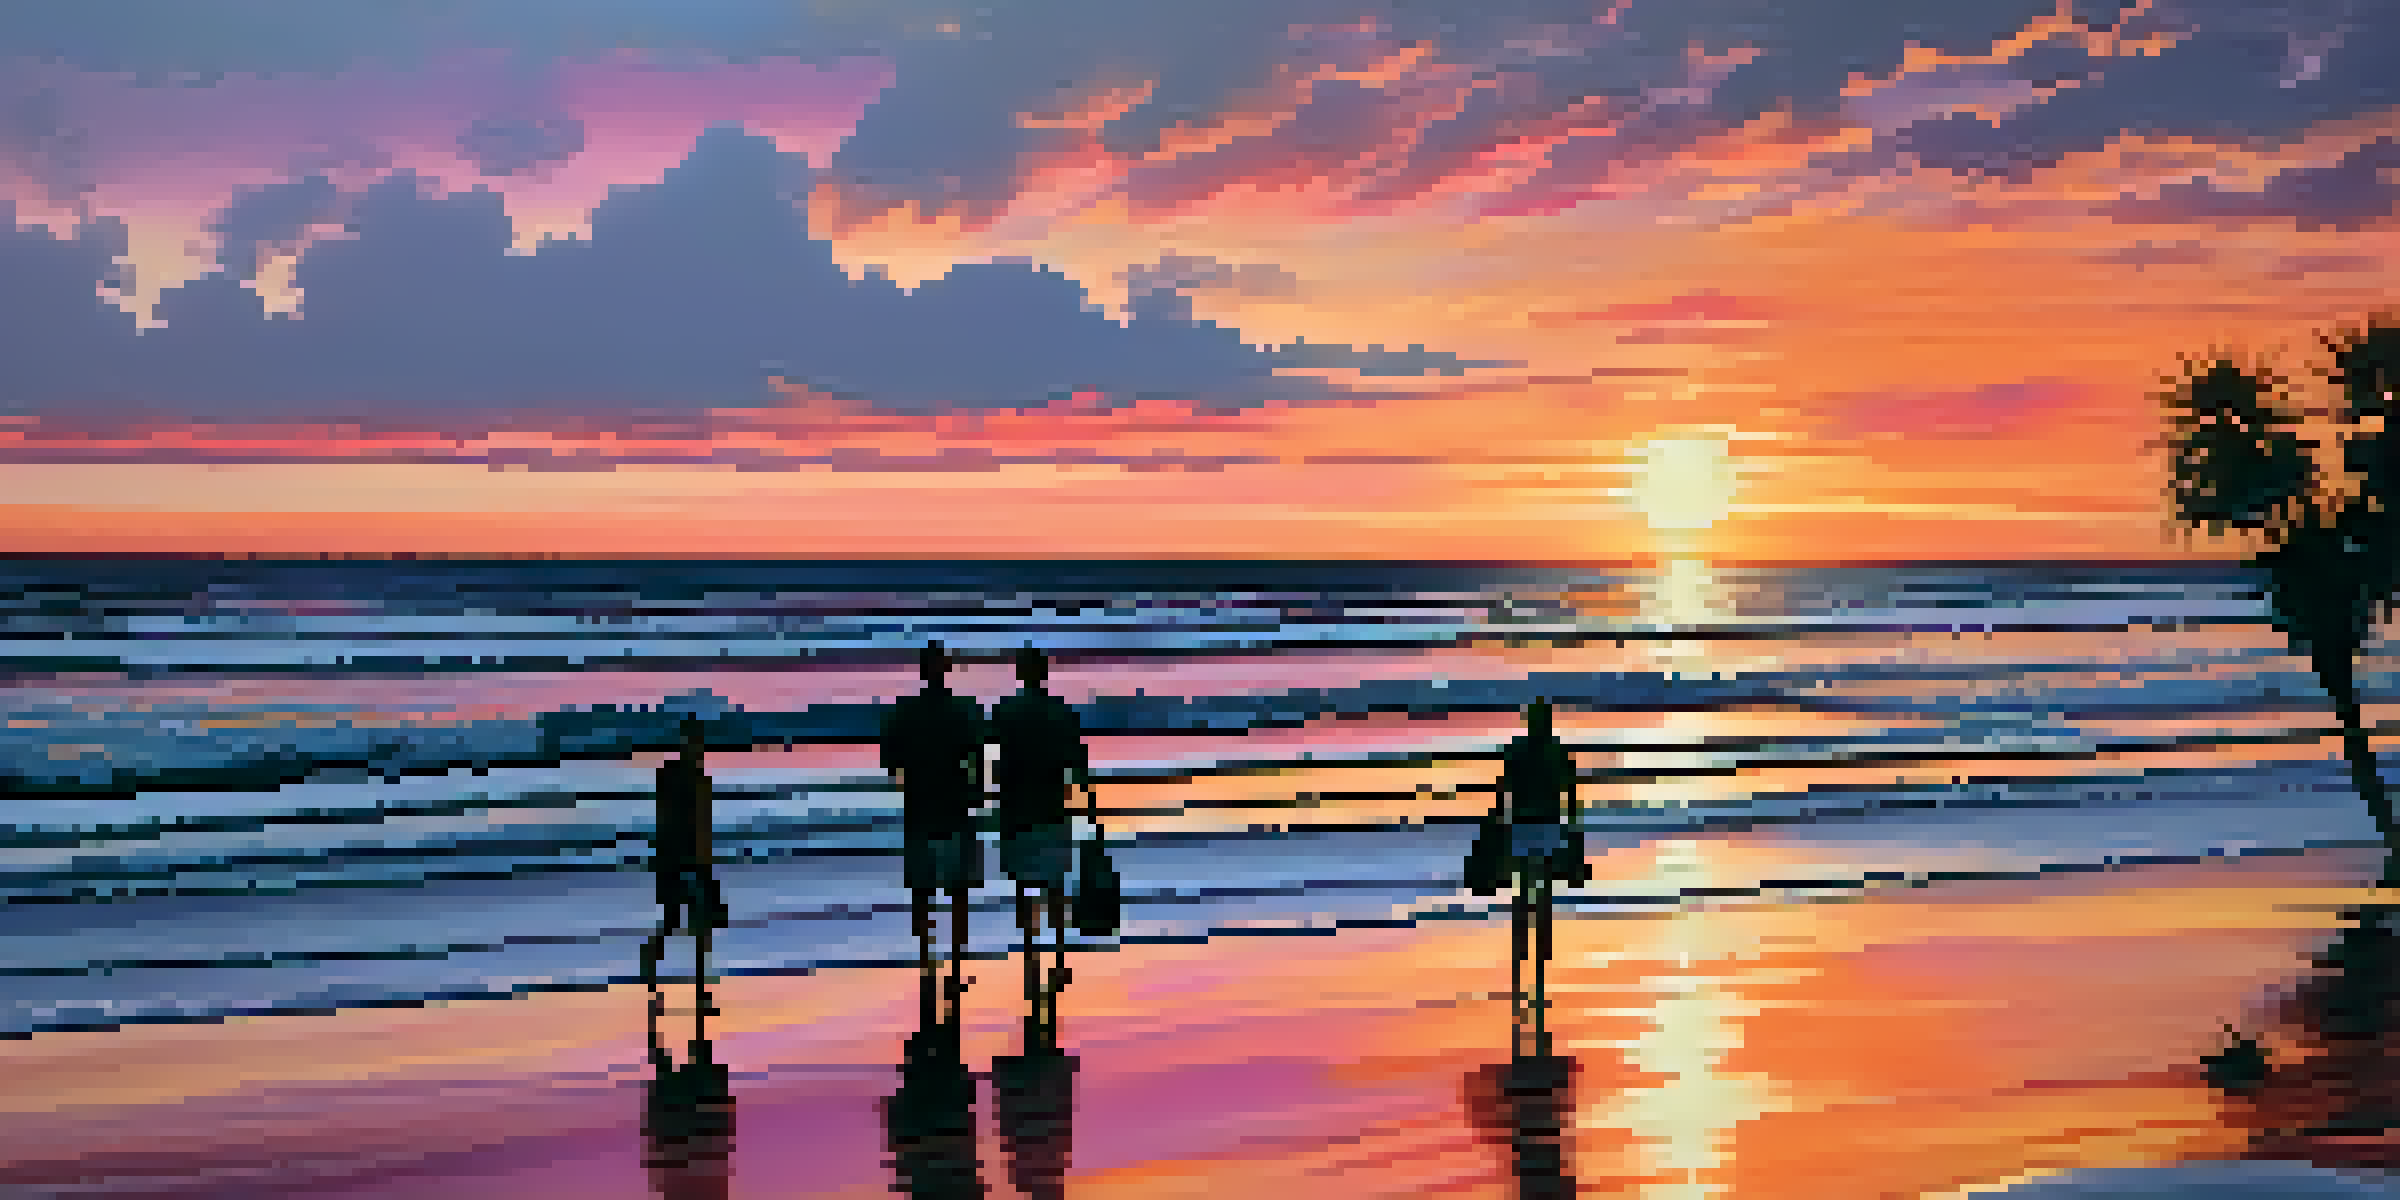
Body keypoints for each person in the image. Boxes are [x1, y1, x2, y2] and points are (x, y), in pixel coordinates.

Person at [879, 641, 989, 1017]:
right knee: (958, 891)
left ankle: (928, 958)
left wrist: (908, 783)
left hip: (921, 808)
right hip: (955, 807)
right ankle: (956, 961)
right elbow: (977, 758)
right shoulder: (964, 711)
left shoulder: (906, 712)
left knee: (924, 891)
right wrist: (975, 793)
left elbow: (890, 761)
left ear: (923, 671)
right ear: (946, 670)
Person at [992, 644, 1087, 1042]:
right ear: (1044, 674)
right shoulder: (1061, 712)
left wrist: (989, 794)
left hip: (1017, 806)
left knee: (1023, 885)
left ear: (1020, 674)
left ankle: (1033, 951)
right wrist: (1088, 803)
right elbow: (1077, 762)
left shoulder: (1005, 712)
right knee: (1054, 883)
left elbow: (993, 761)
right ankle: (1060, 953)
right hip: (1052, 805)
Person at [1497, 698, 1584, 1058]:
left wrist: (1501, 824)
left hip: (1522, 828)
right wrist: (1574, 830)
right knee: (1543, 891)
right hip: (1548, 828)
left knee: (1522, 890)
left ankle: (1522, 948)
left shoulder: (1517, 750)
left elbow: (1503, 792)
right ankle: (1540, 952)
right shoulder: (1557, 751)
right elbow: (1570, 794)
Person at [654, 717, 728, 945]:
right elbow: (699, 826)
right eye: (695, 743)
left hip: (676, 857)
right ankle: (655, 967)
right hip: (684, 858)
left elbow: (669, 819)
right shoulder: (693, 779)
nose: (698, 749)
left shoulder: (670, 774)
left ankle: (654, 968)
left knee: (678, 922)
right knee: (677, 921)